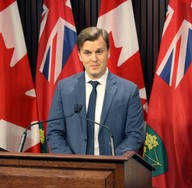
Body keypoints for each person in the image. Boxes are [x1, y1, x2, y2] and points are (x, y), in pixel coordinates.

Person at [46, 27, 145, 156]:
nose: (94, 59)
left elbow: (135, 135)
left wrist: (113, 162)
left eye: (99, 52)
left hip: (113, 169)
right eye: (87, 53)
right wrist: (73, 163)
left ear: (108, 52)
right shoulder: (64, 88)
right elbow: (54, 132)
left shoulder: (128, 91)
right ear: (79, 55)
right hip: (73, 170)